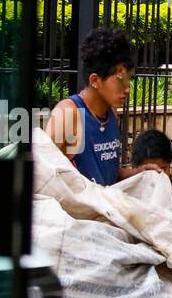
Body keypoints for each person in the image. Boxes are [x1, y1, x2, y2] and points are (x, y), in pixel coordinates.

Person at [45, 28, 135, 186]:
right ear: (95, 80)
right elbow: (42, 173)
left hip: (108, 207)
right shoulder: (68, 113)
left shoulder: (111, 112)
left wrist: (141, 173)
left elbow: (109, 174)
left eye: (128, 80)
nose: (127, 88)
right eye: (119, 80)